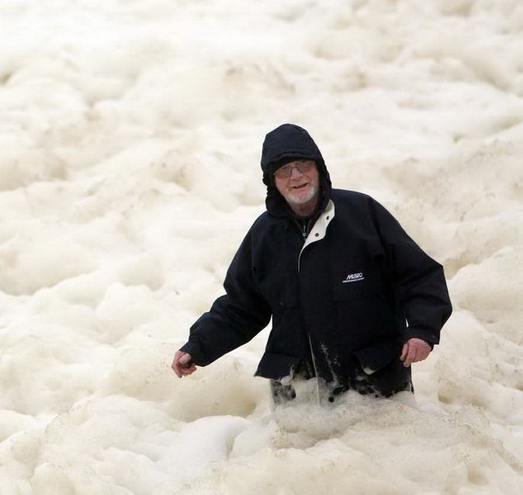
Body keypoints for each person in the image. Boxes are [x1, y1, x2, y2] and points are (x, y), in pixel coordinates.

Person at [171, 124, 452, 402]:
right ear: (272, 181)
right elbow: (241, 307)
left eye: (303, 164)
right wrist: (198, 347)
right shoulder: (264, 235)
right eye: (283, 170)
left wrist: (422, 331)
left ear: (319, 168)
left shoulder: (363, 215)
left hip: (375, 387)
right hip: (299, 397)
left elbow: (419, 276)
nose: (295, 176)